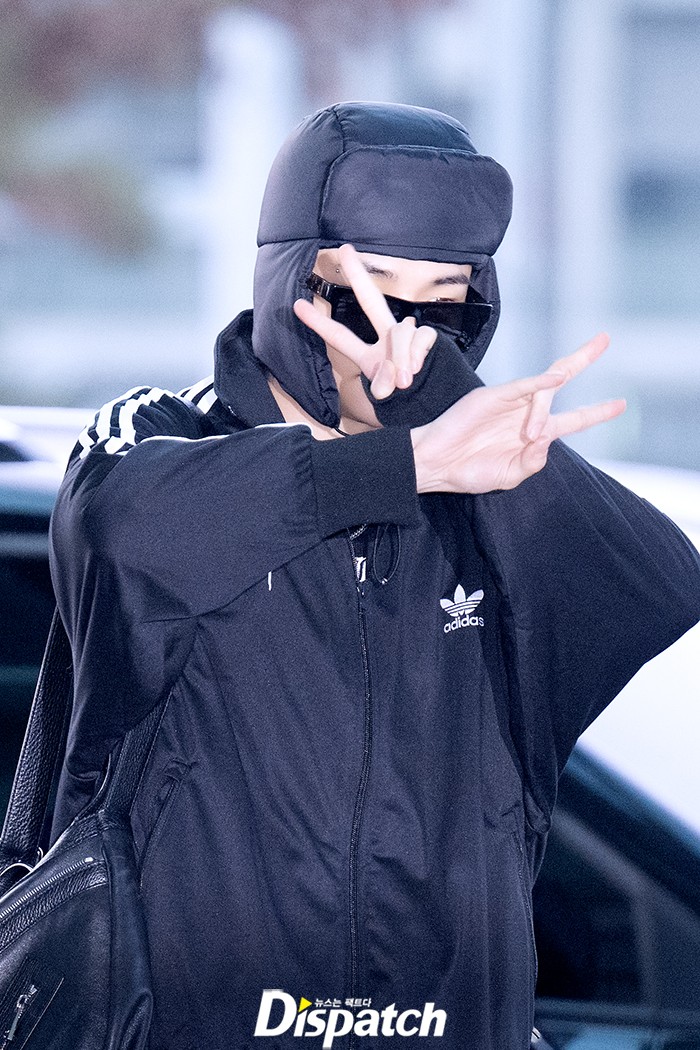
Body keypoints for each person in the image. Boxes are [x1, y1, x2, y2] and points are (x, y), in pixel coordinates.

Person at [48, 102, 700, 1050]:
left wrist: (439, 407)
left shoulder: (492, 507)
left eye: (444, 307)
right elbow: (120, 528)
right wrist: (400, 465)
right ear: (287, 284)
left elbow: (658, 588)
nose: (405, 339)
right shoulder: (163, 439)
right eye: (368, 299)